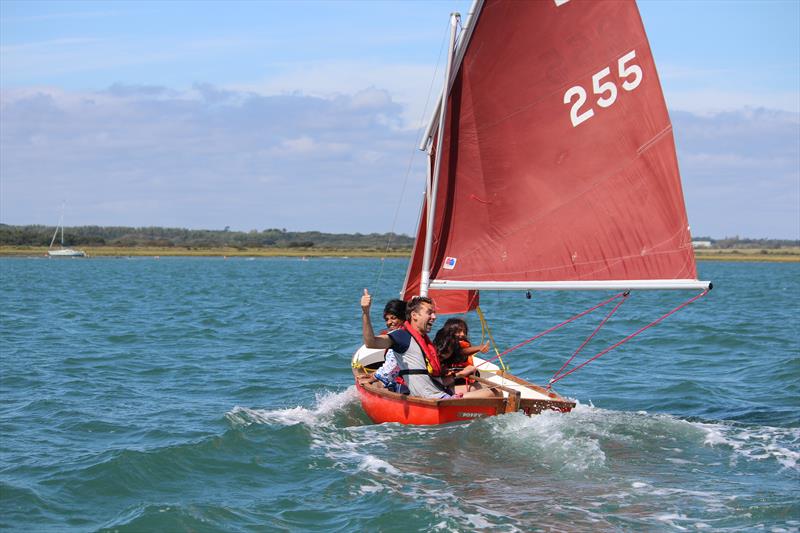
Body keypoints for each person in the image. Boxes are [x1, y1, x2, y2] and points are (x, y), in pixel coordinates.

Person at [360, 289, 498, 399]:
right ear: (414, 315)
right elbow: (371, 342)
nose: (434, 317)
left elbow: (435, 381)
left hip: (439, 394)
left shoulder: (425, 342)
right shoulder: (402, 336)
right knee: (494, 393)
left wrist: (460, 374)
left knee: (486, 390)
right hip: (433, 400)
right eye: (429, 313)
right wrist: (365, 312)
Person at [434, 317, 490, 391]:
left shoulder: (460, 343)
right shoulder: (448, 343)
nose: (463, 334)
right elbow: (461, 352)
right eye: (459, 331)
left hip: (457, 376)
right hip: (450, 381)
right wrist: (479, 348)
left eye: (464, 331)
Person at [372, 299, 407, 393]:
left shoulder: (400, 337)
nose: (389, 322)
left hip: (403, 386)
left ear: (403, 318)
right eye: (387, 319)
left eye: (393, 318)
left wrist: (374, 377)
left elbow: (392, 366)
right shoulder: (411, 333)